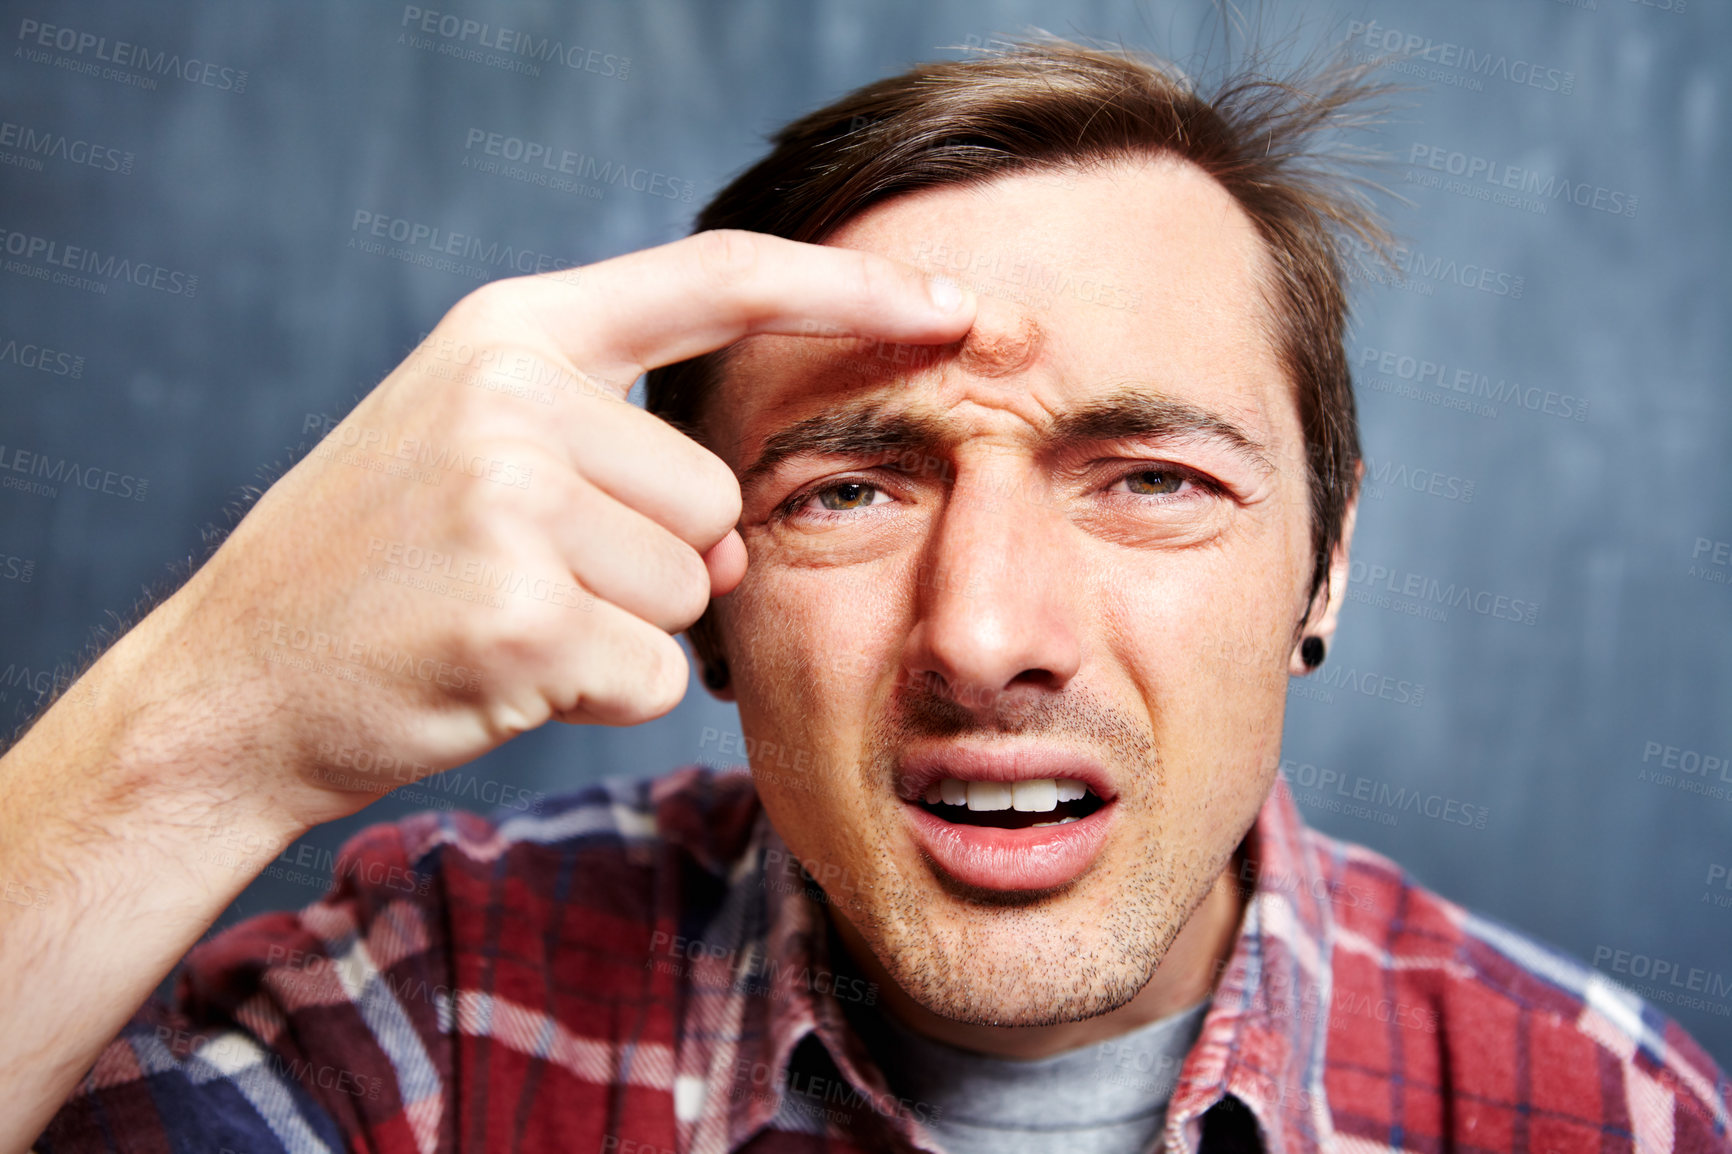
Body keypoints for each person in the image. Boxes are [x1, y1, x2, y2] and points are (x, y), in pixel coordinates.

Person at [7, 36, 1728, 1154]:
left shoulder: (1615, 1113)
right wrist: (220, 710)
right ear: (701, 592)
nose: (987, 635)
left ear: (1324, 556)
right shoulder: (439, 1004)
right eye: (847, 489)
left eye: (1153, 480)